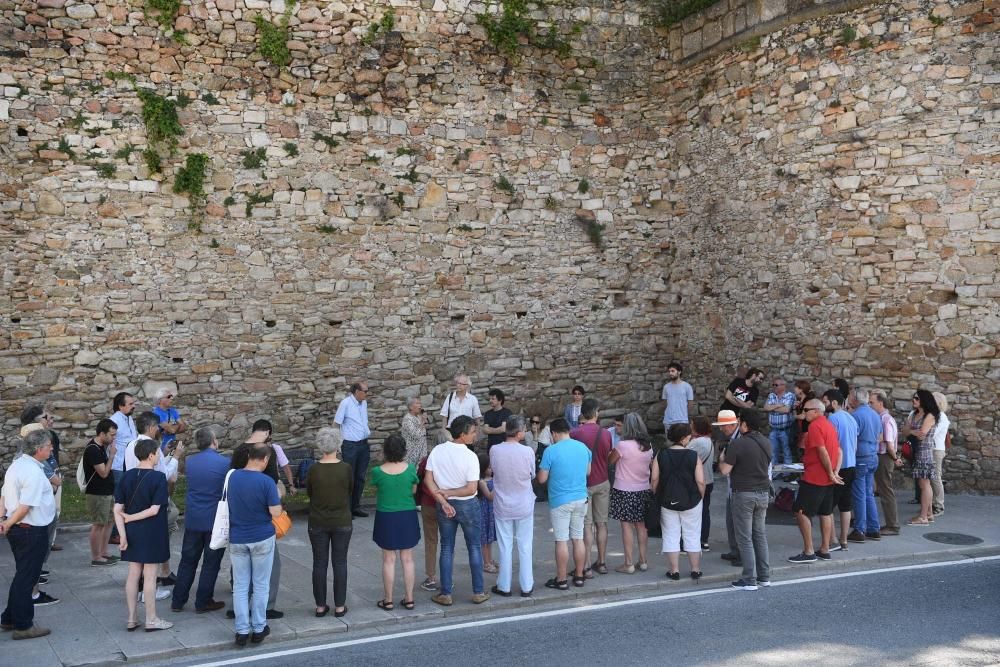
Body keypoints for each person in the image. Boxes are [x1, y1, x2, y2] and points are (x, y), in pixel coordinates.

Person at [424, 416, 489, 606]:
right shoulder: (470, 456)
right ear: (462, 434)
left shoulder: (437, 450)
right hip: (467, 505)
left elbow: (429, 480)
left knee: (446, 548)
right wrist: (450, 493)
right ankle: (478, 591)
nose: (475, 435)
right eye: (473, 432)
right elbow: (471, 489)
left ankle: (446, 593)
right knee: (474, 547)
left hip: (444, 504)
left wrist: (442, 499)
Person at [0, 430, 57, 640]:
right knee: (27, 578)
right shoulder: (32, 472)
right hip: (30, 531)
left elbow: (4, 495)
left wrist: (3, 520)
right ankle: (23, 626)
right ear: (39, 449)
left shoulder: (17, 465)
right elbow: (25, 507)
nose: (52, 449)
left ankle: (8, 618)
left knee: (22, 575)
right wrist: (7, 522)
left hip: (20, 530)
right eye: (49, 446)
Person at [114, 438, 173, 632]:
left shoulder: (126, 476)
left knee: (133, 574)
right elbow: (154, 510)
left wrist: (122, 534)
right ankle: (151, 619)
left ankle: (131, 618)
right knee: (150, 576)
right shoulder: (158, 478)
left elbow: (117, 509)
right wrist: (131, 518)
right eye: (157, 453)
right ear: (151, 455)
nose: (158, 456)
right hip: (152, 531)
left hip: (132, 533)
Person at [228, 443, 282, 647]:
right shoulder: (266, 482)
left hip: (238, 536)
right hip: (261, 536)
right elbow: (275, 512)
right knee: (261, 584)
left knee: (240, 586)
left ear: (249, 456)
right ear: (266, 459)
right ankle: (259, 627)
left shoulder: (232, 477)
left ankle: (241, 630)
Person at [171, 427, 229, 614]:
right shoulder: (225, 463)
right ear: (214, 441)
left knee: (188, 560)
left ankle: (178, 600)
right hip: (214, 519)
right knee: (211, 563)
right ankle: (203, 601)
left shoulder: (190, 461)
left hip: (194, 517)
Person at [719, 410, 772, 590]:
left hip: (743, 494)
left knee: (744, 538)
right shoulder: (766, 442)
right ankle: (764, 576)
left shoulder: (738, 444)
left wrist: (721, 460)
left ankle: (749, 579)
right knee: (759, 535)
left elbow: (725, 470)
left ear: (744, 425)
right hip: (763, 493)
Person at [788, 399, 844, 564]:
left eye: (806, 410)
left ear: (816, 411)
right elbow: (839, 451)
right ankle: (824, 550)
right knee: (825, 513)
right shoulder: (829, 425)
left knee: (800, 511)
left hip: (815, 477)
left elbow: (822, 451)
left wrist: (830, 472)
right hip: (827, 478)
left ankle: (809, 551)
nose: (804, 413)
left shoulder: (815, 426)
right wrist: (834, 473)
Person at [538, 418, 591, 590]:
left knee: (561, 540)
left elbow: (542, 479)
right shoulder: (583, 448)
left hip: (560, 500)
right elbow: (588, 472)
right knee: (578, 537)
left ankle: (561, 579)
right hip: (581, 498)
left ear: (553, 433)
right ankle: (579, 575)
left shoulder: (550, 451)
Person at [306, 427, 353, 618]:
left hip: (318, 520)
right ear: (338, 444)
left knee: (319, 563)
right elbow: (350, 490)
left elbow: (310, 492)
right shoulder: (345, 468)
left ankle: (320, 605)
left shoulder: (313, 469)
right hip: (341, 519)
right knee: (340, 563)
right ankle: (340, 605)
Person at [371, 434, 420, 612]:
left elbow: (378, 489)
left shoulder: (377, 471)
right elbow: (414, 490)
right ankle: (409, 598)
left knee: (388, 559)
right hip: (407, 514)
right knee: (407, 559)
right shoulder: (411, 469)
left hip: (386, 516)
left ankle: (388, 599)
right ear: (404, 450)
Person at [489, 416, 536, 597]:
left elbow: (494, 470)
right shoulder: (527, 452)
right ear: (519, 433)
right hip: (523, 503)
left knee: (504, 545)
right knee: (525, 545)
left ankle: (504, 585)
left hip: (502, 503)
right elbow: (531, 474)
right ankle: (526, 585)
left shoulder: (495, 450)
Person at [651, 423, 705, 580]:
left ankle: (674, 571)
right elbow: (701, 481)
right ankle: (695, 569)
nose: (690, 437)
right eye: (689, 435)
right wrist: (699, 497)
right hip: (691, 501)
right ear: (684, 437)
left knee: (670, 534)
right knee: (693, 534)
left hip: (667, 500)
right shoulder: (693, 456)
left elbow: (654, 478)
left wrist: (656, 493)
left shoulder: (661, 454)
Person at [608, 413, 654, 574]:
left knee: (626, 526)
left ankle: (628, 563)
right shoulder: (648, 446)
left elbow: (610, 460)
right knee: (641, 526)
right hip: (643, 487)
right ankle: (643, 560)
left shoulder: (623, 446)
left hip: (624, 489)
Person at [822, 390, 856, 551]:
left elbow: (831, 444)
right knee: (845, 505)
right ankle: (844, 540)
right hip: (851, 464)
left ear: (834, 403)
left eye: (825, 402)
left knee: (828, 504)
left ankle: (833, 540)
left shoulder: (832, 419)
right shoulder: (851, 418)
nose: (824, 405)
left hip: (838, 466)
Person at [82, 418, 120, 566]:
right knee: (98, 524)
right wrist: (111, 456)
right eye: (111, 435)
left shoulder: (101, 447)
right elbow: (103, 473)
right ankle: (96, 557)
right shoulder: (93, 449)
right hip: (97, 493)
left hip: (107, 492)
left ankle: (104, 552)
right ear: (102, 434)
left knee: (109, 522)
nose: (113, 438)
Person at [334, 381, 372, 518]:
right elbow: (336, 424)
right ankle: (346, 509)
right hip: (350, 445)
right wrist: (337, 446)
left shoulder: (364, 404)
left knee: (360, 477)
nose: (367, 393)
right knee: (349, 477)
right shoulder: (345, 403)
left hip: (363, 444)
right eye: (365, 391)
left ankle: (355, 506)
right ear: (357, 392)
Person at [850, 388, 883, 541]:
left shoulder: (855, 415)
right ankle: (874, 528)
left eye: (851, 396)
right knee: (868, 493)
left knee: (859, 494)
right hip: (872, 455)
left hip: (861, 457)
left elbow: (852, 438)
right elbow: (879, 436)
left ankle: (859, 529)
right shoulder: (875, 415)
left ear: (856, 399)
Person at [907, 390, 941, 526]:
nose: (913, 400)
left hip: (924, 452)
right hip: (917, 451)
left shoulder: (930, 415)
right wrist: (911, 432)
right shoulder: (915, 414)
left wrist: (912, 431)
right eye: (913, 398)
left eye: (916, 398)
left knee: (924, 484)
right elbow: (904, 430)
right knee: (924, 484)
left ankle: (923, 517)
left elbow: (922, 433)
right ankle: (929, 514)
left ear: (924, 400)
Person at [871, 389, 902, 535]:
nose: (870, 405)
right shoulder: (883, 418)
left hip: (885, 457)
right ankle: (891, 524)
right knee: (884, 490)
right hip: (884, 457)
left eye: (872, 402)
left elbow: (889, 443)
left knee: (886, 491)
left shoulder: (885, 419)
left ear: (880, 403)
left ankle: (893, 525)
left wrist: (895, 458)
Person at [713, 410, 742, 567]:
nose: (721, 429)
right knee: (731, 520)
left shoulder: (738, 439)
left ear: (732, 424)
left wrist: (722, 460)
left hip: (739, 487)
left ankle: (740, 553)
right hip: (734, 486)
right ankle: (735, 550)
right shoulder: (734, 438)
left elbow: (726, 469)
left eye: (723, 426)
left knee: (737, 522)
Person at [688, 416, 715, 551]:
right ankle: (704, 540)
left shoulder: (696, 443)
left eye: (692, 424)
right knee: (705, 511)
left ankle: (694, 541)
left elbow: (685, 457)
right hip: (709, 480)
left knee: (694, 512)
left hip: (697, 481)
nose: (690, 426)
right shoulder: (709, 441)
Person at [415, 450, 440, 592]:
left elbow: (419, 478)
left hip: (428, 503)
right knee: (448, 543)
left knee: (431, 541)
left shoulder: (427, 460)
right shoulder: (451, 457)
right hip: (447, 502)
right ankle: (447, 577)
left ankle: (431, 577)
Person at [252, 420, 296, 495]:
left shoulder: (276, 448)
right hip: (256, 484)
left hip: (274, 482)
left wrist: (291, 485)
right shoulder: (251, 449)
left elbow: (286, 468)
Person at [764, 378, 796, 465]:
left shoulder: (790, 396)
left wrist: (772, 407)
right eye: (773, 385)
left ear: (783, 386)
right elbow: (766, 408)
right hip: (773, 429)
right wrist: (778, 405)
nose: (774, 387)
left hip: (786, 430)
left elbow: (786, 410)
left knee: (787, 452)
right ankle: (775, 473)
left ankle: (787, 474)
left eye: (776, 385)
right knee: (773, 452)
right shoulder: (771, 395)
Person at [109, 392, 138, 487]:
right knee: (119, 497)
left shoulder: (128, 418)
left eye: (133, 403)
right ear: (121, 406)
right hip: (118, 466)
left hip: (130, 464)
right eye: (130, 404)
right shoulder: (114, 421)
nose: (134, 406)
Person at [930, 392, 950, 517]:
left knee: (936, 477)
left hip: (936, 450)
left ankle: (939, 505)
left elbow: (933, 432)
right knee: (931, 478)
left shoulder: (942, 417)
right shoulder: (934, 415)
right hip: (932, 449)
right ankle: (932, 503)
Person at [478, 455, 498, 573]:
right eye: (489, 467)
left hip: (492, 512)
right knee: (484, 539)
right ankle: (486, 562)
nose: (491, 469)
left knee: (489, 538)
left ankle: (489, 559)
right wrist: (498, 486)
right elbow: (490, 496)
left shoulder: (492, 480)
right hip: (484, 512)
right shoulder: (481, 482)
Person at [152, 388, 187, 454]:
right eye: (169, 397)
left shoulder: (172, 410)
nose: (171, 398)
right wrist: (177, 426)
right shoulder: (156, 413)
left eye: (172, 396)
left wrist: (172, 428)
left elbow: (184, 427)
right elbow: (172, 430)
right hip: (161, 449)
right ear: (160, 400)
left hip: (172, 446)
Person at [661, 362, 695, 429]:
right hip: (668, 421)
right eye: (669, 371)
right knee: (669, 439)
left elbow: (690, 404)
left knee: (682, 439)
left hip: (682, 421)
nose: (670, 373)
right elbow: (665, 403)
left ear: (679, 372)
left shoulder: (687, 386)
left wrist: (683, 414)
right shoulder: (666, 387)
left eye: (673, 371)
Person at [400, 397, 429, 468]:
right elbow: (416, 434)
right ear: (410, 407)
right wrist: (422, 422)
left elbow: (422, 431)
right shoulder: (407, 419)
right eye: (417, 403)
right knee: (411, 470)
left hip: (421, 451)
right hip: (412, 452)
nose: (420, 405)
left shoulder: (418, 416)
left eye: (420, 403)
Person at [793, 380, 817, 453]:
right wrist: (795, 408)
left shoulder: (807, 400)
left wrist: (793, 416)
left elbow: (803, 416)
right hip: (802, 430)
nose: (794, 389)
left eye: (796, 387)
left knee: (804, 452)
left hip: (806, 431)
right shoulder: (801, 400)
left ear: (801, 389)